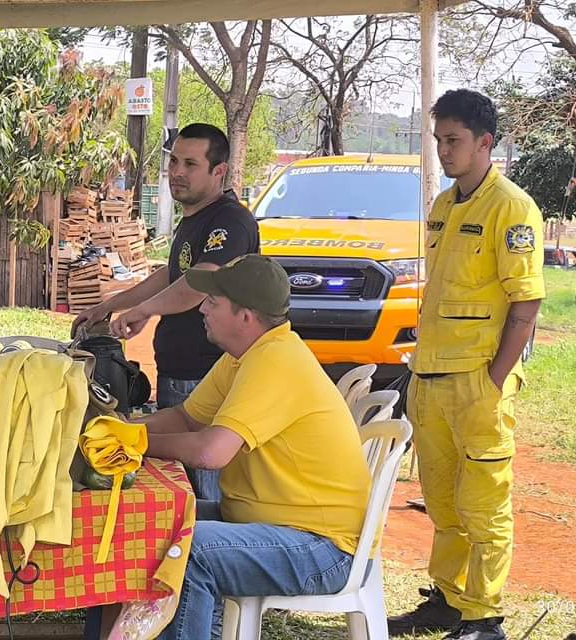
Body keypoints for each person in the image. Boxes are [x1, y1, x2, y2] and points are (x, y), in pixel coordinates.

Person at [134, 254, 371, 640]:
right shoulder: (244, 356)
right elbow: (188, 418)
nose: (203, 308)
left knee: (188, 553)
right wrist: (123, 428)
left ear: (246, 316)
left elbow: (210, 453)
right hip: (276, 525)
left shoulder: (276, 360)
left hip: (323, 548)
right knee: (149, 524)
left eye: (214, 301)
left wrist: (137, 443)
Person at [388, 89, 545, 640]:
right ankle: (448, 600)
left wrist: (492, 381)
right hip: (430, 377)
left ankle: (485, 614)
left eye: (453, 141)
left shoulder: (512, 206)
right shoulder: (444, 204)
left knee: (483, 503)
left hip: (477, 381)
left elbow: (525, 304)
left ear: (486, 142)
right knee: (443, 501)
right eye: (437, 141)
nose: (443, 152)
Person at [71, 123, 258, 501]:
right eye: (174, 161)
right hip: (179, 373)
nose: (177, 172)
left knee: (200, 495)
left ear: (218, 171)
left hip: (207, 373)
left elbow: (200, 281)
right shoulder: (195, 220)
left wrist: (143, 311)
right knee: (177, 484)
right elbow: (170, 274)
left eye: (190, 164)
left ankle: (204, 554)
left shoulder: (230, 221)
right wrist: (109, 304)